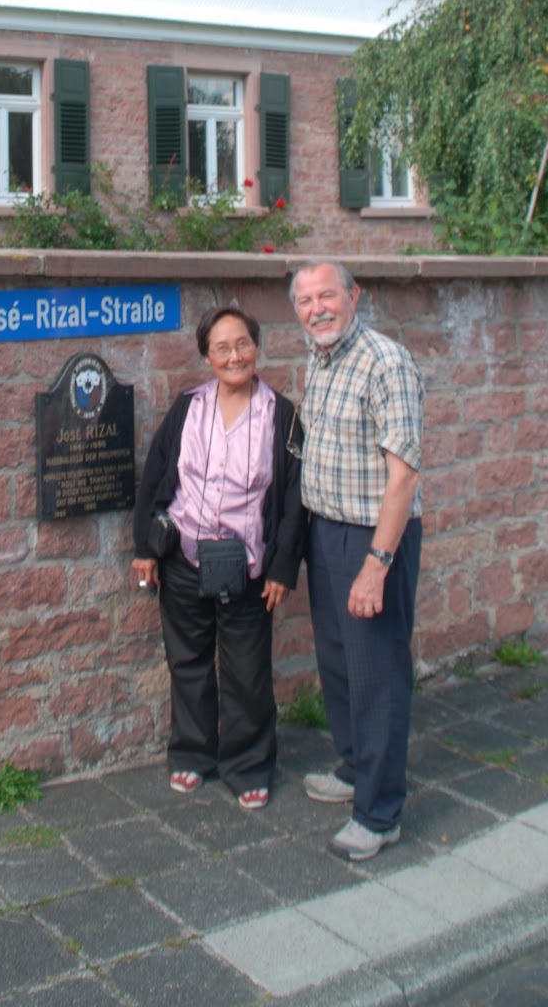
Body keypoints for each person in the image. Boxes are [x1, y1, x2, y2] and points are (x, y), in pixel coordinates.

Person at [132, 305, 306, 810]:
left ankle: (249, 764)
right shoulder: (188, 408)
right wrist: (144, 547)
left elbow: (295, 499)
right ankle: (192, 754)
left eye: (243, 344)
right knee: (186, 662)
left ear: (257, 347)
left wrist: (282, 568)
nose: (235, 356)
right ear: (207, 356)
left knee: (247, 671)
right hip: (185, 559)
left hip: (248, 568)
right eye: (222, 348)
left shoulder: (283, 414)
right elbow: (157, 475)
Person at [290, 259, 424, 861]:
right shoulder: (319, 360)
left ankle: (379, 812)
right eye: (304, 300)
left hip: (374, 538)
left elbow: (403, 475)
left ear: (354, 295)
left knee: (378, 677)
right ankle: (352, 768)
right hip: (327, 534)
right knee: (340, 666)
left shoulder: (385, 362)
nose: (316, 308)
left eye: (327, 296)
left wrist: (377, 562)